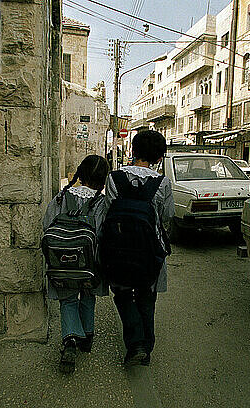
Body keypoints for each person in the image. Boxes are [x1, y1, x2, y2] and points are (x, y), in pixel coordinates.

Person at [102, 130, 175, 367]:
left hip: (118, 248)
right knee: (146, 296)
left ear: (133, 151)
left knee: (122, 294)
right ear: (157, 157)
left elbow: (107, 211)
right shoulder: (161, 183)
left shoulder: (113, 179)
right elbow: (167, 215)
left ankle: (136, 344)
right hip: (149, 251)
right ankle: (146, 347)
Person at [42, 155, 110, 373]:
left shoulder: (61, 198)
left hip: (62, 264)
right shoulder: (101, 203)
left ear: (80, 173)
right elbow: (103, 234)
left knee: (68, 299)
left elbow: (47, 225)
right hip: (90, 265)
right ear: (102, 180)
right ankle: (87, 337)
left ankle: (70, 340)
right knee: (88, 297)